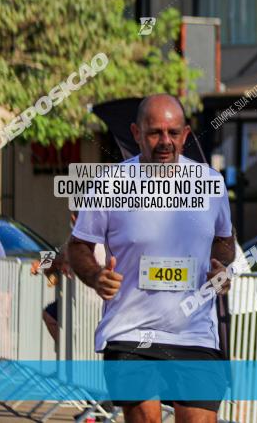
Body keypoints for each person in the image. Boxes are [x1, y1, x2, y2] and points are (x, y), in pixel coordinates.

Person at [67, 94, 236, 423]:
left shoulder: (210, 184)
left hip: (194, 333)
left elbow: (225, 241)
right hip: (130, 331)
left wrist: (221, 268)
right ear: (136, 132)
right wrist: (95, 275)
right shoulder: (109, 184)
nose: (165, 142)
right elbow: (77, 246)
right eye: (155, 132)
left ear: (186, 135)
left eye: (173, 133)